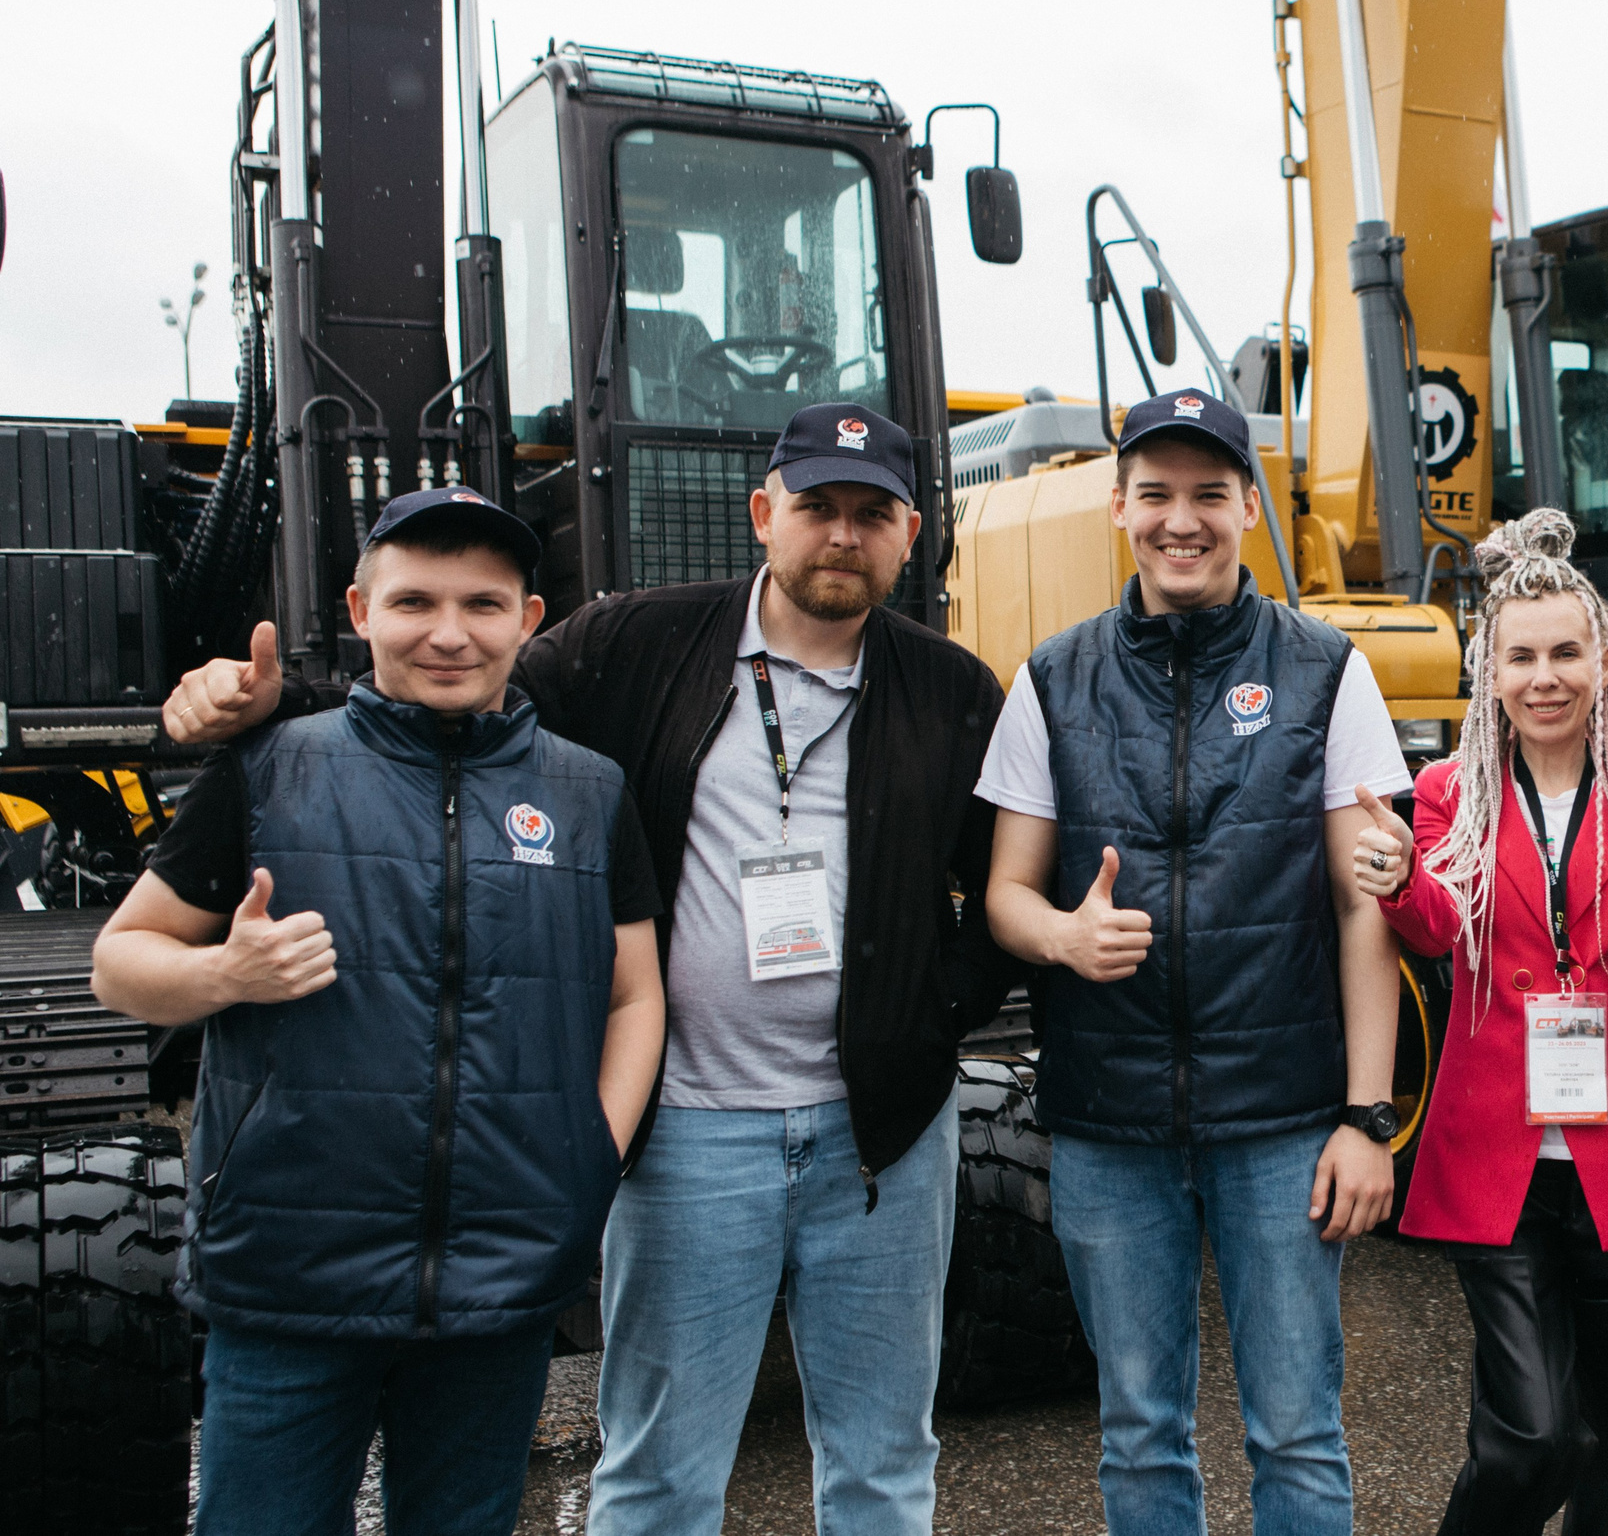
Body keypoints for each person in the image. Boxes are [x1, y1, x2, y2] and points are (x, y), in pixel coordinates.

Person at [157, 403, 1016, 1536]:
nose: (842, 536)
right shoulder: (631, 644)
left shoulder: (952, 689)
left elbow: (1001, 888)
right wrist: (276, 713)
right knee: (661, 1471)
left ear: (913, 534)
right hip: (693, 1132)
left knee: (884, 1460)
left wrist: (931, 1016)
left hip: (884, 1144)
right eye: (817, 508)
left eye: (873, 514)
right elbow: (445, 698)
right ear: (765, 515)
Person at [96, 489, 666, 1536]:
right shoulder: (270, 770)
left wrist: (594, 1152)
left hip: (501, 1277)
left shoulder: (588, 793)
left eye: (482, 606)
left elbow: (635, 992)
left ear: (528, 620)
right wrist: (227, 975)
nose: (449, 634)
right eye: (414, 603)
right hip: (287, 1277)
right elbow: (119, 963)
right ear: (360, 609)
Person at [977, 387, 1409, 1535]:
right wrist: (1064, 934)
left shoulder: (1328, 671)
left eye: (1209, 493)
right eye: (1157, 493)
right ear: (1118, 506)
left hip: (1278, 1122)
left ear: (1249, 507)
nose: (1183, 519)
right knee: (1137, 1433)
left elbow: (1363, 908)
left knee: (1298, 1431)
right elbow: (1005, 897)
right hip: (1107, 1122)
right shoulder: (1053, 678)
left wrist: (1366, 1119)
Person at [1350, 508, 1608, 1536]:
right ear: (1491, 671)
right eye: (1521, 657)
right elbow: (1437, 929)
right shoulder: (1446, 795)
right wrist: (1393, 880)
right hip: (1497, 1157)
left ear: (1601, 663)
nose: (1545, 676)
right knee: (1533, 1433)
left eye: (1567, 652)